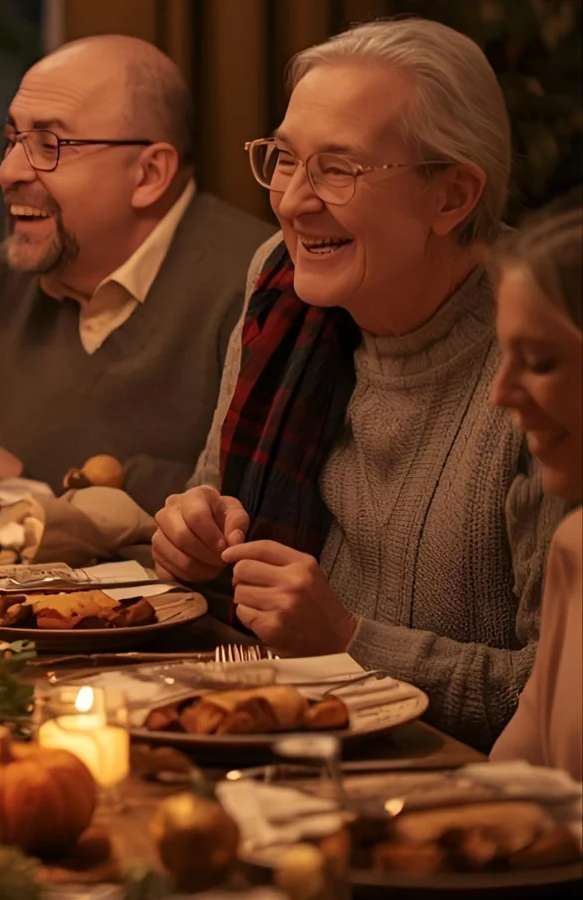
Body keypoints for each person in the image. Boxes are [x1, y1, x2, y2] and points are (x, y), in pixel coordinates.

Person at [151, 18, 573, 750]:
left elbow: (550, 697)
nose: (292, 201)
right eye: (283, 160)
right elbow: (216, 497)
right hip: (270, 736)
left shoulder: (539, 364)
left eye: (338, 169)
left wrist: (348, 640)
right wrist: (191, 535)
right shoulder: (279, 288)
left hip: (454, 796)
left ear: (453, 196)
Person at [0, 35, 271, 513]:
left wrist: (25, 485)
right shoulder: (15, 273)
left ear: (148, 174)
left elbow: (237, 508)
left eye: (49, 144)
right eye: (13, 139)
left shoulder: (256, 285)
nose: (9, 171)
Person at [487, 201, 582, 779]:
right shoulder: (574, 546)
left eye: (541, 362)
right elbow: (516, 781)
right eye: (504, 357)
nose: (500, 393)